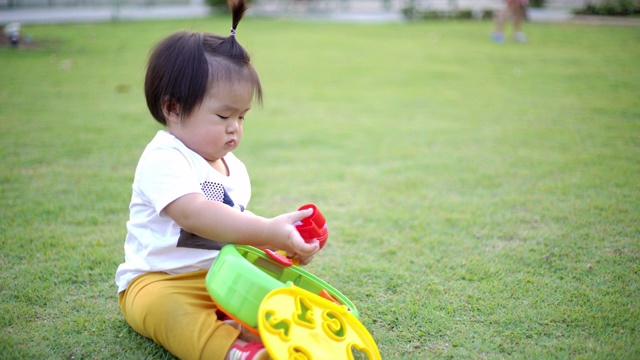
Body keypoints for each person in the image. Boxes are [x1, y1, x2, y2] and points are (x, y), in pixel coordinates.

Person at [114, 0, 321, 359]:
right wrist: (269, 229)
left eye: (242, 117)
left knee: (269, 288)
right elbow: (195, 214)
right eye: (224, 114)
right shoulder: (165, 157)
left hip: (219, 277)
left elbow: (236, 227)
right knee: (171, 312)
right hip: (159, 281)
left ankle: (257, 328)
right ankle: (232, 351)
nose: (235, 128)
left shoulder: (234, 169)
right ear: (173, 108)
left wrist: (279, 246)